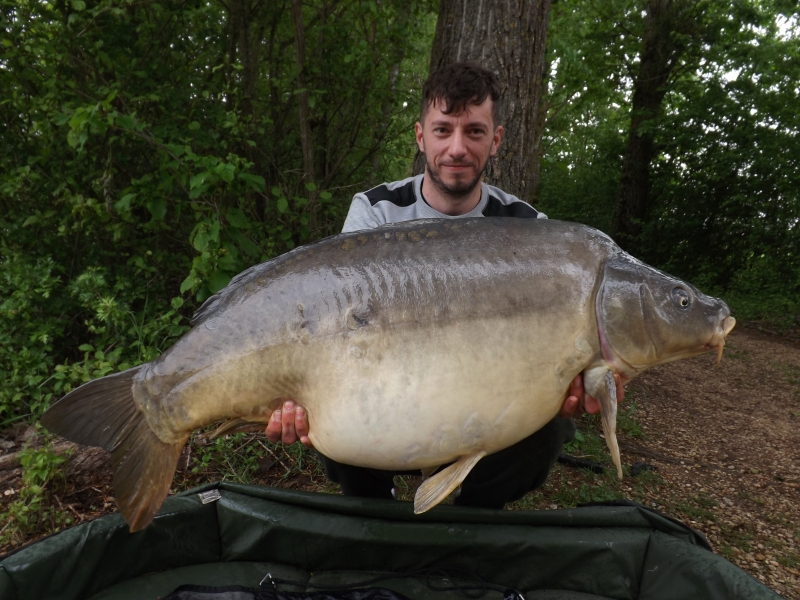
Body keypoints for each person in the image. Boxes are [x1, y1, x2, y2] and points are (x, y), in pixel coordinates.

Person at [265, 62, 623, 507]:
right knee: (331, 399)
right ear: (420, 136)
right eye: (442, 130)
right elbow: (334, 320)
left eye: (474, 132)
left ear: (495, 141)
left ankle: (470, 518)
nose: (457, 148)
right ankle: (373, 506)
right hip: (385, 382)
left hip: (486, 393)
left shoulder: (533, 231)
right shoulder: (375, 211)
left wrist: (584, 377)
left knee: (551, 425)